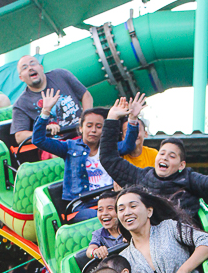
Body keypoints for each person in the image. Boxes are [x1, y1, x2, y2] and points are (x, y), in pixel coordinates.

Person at [100, 98, 208, 217]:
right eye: (162, 154)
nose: (164, 158)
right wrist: (112, 118)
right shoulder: (142, 177)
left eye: (172, 156)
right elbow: (109, 159)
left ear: (181, 164)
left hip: (182, 237)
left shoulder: (189, 179)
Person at [32, 92, 140, 220]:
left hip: (112, 199)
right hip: (83, 204)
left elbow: (128, 145)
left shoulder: (109, 147)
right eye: (89, 126)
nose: (93, 130)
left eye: (99, 127)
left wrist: (132, 119)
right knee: (101, 217)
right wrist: (45, 111)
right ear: (81, 128)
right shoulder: (69, 147)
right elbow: (38, 140)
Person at [115, 187, 208, 273]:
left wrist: (184, 270)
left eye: (133, 206)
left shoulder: (169, 227)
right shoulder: (124, 257)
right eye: (121, 209)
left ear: (149, 211)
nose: (127, 212)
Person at [11, 56, 93, 145]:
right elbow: (19, 136)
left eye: (33, 64)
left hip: (81, 134)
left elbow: (86, 95)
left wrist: (86, 118)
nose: (30, 68)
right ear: (21, 78)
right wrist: (44, 130)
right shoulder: (21, 104)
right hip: (54, 144)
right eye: (25, 68)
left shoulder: (61, 75)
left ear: (41, 68)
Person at [86, 191, 124, 259]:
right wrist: (95, 251)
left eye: (110, 208)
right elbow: (89, 250)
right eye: (100, 210)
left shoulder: (128, 228)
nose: (104, 213)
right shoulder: (99, 234)